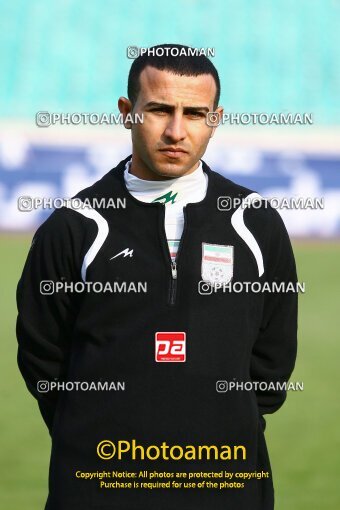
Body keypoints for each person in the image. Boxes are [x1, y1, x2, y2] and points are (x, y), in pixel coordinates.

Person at [16, 44, 298, 510]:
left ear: (216, 119)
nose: (176, 130)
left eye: (194, 113)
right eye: (159, 110)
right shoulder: (75, 225)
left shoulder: (255, 221)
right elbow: (43, 359)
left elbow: (272, 366)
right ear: (127, 113)